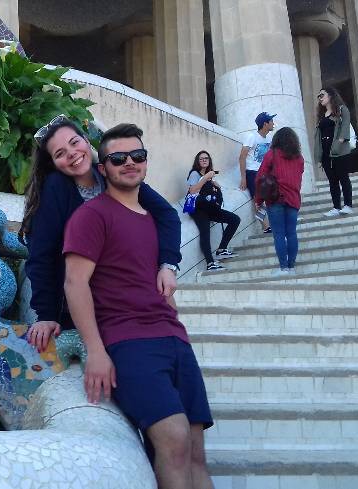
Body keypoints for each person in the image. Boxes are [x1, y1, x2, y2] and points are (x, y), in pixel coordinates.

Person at [62, 123, 213, 489]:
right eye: (118, 158)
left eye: (138, 156)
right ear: (103, 168)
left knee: (195, 452)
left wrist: (175, 317)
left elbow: (160, 280)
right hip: (129, 342)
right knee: (174, 440)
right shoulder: (92, 216)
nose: (129, 163)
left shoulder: (154, 221)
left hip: (174, 340)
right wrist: (96, 352)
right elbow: (75, 283)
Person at [19, 115, 182, 352]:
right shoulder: (56, 188)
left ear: (86, 141)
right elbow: (41, 254)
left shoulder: (110, 173)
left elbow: (166, 215)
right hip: (90, 305)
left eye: (75, 143)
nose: (72, 153)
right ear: (53, 163)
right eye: (60, 153)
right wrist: (46, 314)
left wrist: (167, 265)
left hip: (130, 289)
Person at [254, 127, 305, 276]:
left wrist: (258, 199)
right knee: (291, 233)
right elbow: (299, 178)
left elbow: (260, 177)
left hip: (275, 198)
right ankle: (291, 267)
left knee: (278, 234)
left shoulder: (272, 154)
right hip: (293, 198)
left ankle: (283, 267)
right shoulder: (299, 158)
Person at [186, 150, 241, 272]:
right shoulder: (194, 174)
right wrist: (206, 178)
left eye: (206, 158)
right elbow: (193, 191)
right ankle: (210, 263)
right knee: (205, 232)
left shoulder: (210, 177)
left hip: (210, 208)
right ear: (197, 161)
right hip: (198, 209)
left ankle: (222, 249)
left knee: (234, 219)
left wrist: (215, 185)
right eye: (201, 159)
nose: (204, 160)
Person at [313, 87, 355, 217]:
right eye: (318, 96)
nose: (320, 98)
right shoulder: (321, 115)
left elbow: (344, 127)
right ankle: (336, 206)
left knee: (343, 177)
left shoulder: (342, 110)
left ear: (330, 96)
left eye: (322, 95)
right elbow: (319, 135)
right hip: (326, 152)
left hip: (339, 151)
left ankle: (348, 205)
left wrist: (339, 143)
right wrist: (319, 155)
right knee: (332, 181)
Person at [239, 112, 275, 233]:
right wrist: (243, 178)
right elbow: (242, 157)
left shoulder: (269, 138)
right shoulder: (251, 136)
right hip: (252, 172)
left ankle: (273, 222)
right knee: (258, 199)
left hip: (265, 173)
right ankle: (265, 226)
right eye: (271, 121)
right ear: (265, 124)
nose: (273, 123)